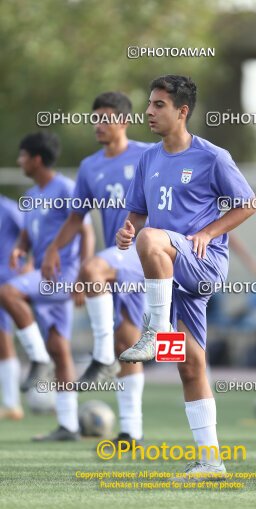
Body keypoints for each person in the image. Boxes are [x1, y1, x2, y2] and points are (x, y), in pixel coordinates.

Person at [117, 75, 256, 476]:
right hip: (170, 271)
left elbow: (248, 203)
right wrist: (127, 229)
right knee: (190, 365)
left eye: (158, 105)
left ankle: (156, 331)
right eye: (149, 104)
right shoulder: (148, 158)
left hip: (203, 264)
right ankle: (211, 461)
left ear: (182, 111)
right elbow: (138, 214)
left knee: (151, 239)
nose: (148, 112)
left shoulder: (212, 156)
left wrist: (208, 233)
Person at [41, 92, 150, 445]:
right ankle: (131, 430)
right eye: (95, 118)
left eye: (106, 118)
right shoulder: (90, 166)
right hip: (118, 255)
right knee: (129, 343)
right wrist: (52, 251)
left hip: (146, 253)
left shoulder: (148, 156)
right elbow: (77, 217)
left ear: (124, 121)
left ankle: (101, 354)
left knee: (91, 270)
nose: (98, 125)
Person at [0, 132, 95, 440]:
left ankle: (36, 357)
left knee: (8, 292)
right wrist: (19, 248)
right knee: (61, 350)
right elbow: (27, 233)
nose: (19, 161)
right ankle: (68, 425)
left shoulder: (66, 188)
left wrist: (83, 277)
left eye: (22, 156)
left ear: (36, 159)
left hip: (61, 275)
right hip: (45, 275)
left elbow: (87, 232)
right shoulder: (32, 195)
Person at [0, 195, 25, 420]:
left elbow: (29, 236)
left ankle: (12, 402)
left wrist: (29, 266)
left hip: (7, 281)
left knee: (4, 339)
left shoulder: (7, 209)